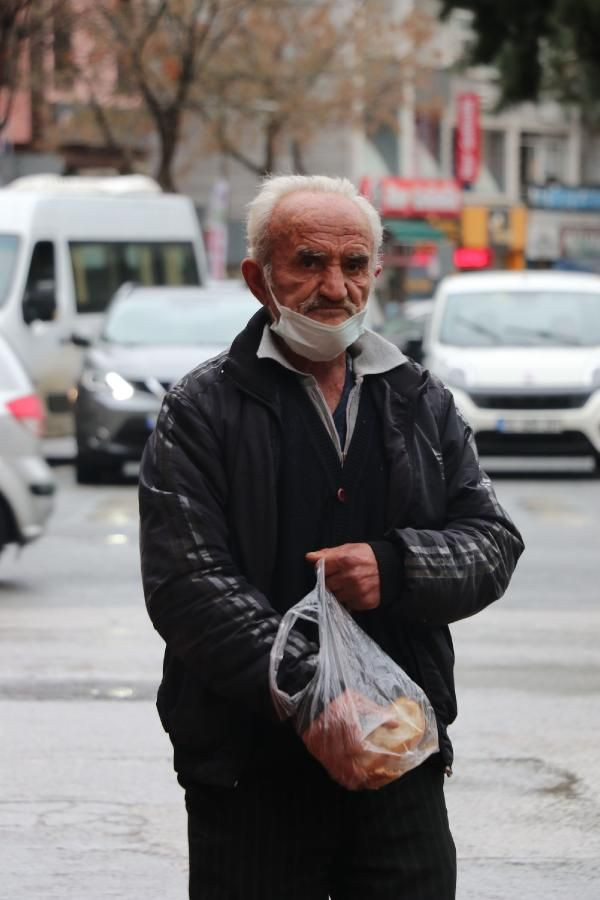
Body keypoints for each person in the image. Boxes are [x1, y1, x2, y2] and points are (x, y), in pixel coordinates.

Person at [138, 174, 524, 900]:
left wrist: (398, 566)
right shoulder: (202, 408)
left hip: (398, 754)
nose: (334, 286)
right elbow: (186, 583)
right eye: (308, 262)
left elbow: (493, 541)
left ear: (376, 273)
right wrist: (316, 690)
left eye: (353, 265)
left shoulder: (418, 398)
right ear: (259, 279)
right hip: (249, 766)